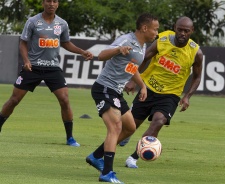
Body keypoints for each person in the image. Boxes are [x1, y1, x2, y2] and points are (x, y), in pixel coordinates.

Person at [0, 0, 93, 147]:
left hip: (53, 68)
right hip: (33, 67)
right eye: (48, 1)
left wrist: (82, 52)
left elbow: (66, 42)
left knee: (65, 100)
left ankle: (70, 138)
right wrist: (26, 60)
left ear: (58, 4)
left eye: (54, 1)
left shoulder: (62, 24)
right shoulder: (32, 22)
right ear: (43, 3)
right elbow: (23, 42)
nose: (51, 4)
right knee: (14, 100)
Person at [85, 13, 159, 183]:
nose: (157, 33)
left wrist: (142, 86)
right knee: (116, 127)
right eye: (155, 29)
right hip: (104, 88)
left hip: (116, 92)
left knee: (130, 127)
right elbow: (102, 55)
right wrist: (118, 49)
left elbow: (132, 68)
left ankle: (96, 156)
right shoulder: (126, 40)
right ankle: (107, 172)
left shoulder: (142, 47)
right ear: (144, 28)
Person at [121, 16, 203, 168]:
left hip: (170, 95)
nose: (182, 33)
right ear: (174, 27)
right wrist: (132, 80)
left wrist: (187, 97)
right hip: (149, 89)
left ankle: (134, 157)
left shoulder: (196, 52)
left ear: (192, 31)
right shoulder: (162, 40)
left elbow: (197, 77)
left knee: (159, 121)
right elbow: (143, 58)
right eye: (180, 30)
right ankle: (126, 134)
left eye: (186, 31)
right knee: (130, 126)